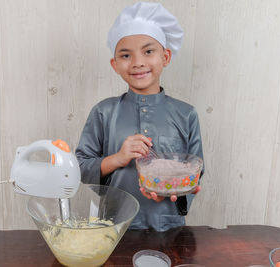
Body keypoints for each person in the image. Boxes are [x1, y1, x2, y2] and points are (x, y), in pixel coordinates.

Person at [75, 2, 204, 232]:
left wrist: (176, 192)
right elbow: (80, 167)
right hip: (113, 226)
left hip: (168, 226)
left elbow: (195, 170)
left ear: (165, 57)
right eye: (126, 55)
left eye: (148, 51)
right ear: (115, 65)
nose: (137, 62)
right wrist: (118, 158)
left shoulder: (186, 114)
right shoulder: (104, 112)